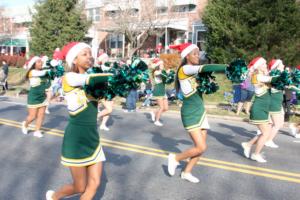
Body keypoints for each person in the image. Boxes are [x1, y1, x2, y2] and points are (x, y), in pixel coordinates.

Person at [46, 42, 111, 200]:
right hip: (76, 139)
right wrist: (119, 76)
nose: (90, 57)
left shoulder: (94, 82)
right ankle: (54, 197)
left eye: (90, 53)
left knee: (94, 184)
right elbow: (91, 79)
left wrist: (106, 104)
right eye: (84, 54)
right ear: (74, 60)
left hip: (92, 138)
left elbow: (108, 104)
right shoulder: (70, 77)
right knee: (80, 187)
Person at [168, 43, 227, 183]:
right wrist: (227, 68)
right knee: (201, 146)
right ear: (187, 56)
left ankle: (186, 172)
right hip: (190, 113)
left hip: (200, 111)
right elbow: (205, 68)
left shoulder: (193, 71)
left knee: (200, 148)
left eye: (198, 53)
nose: (198, 56)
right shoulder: (185, 69)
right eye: (195, 53)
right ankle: (175, 158)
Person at [241, 57, 279, 163]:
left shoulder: (263, 75)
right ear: (258, 66)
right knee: (266, 133)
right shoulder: (257, 76)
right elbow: (273, 79)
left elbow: (271, 81)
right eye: (263, 64)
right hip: (259, 108)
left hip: (264, 108)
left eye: (266, 63)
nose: (266, 65)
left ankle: (248, 145)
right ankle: (255, 154)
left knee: (265, 132)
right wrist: (282, 76)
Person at [22, 56, 50, 138]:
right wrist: (51, 70)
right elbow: (41, 73)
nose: (40, 63)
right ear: (34, 64)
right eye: (38, 62)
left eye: (41, 61)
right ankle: (25, 124)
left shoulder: (44, 73)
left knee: (41, 115)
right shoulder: (32, 72)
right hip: (33, 97)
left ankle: (37, 131)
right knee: (32, 116)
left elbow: (47, 84)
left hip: (42, 97)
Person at [263, 59, 285, 148]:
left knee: (279, 123)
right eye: (281, 64)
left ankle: (265, 137)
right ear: (277, 67)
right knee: (277, 124)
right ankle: (267, 140)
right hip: (274, 101)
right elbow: (273, 88)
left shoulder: (279, 75)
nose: (283, 65)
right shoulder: (275, 75)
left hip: (278, 101)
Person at [97, 53, 114, 131]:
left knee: (109, 109)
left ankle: (103, 124)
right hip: (103, 91)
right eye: (106, 58)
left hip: (110, 90)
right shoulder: (102, 67)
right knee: (109, 109)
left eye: (107, 57)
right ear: (102, 60)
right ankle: (96, 117)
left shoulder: (109, 67)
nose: (107, 59)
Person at [150, 58, 169, 126]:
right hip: (158, 91)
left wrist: (168, 74)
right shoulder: (156, 72)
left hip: (163, 90)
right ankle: (156, 121)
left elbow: (167, 79)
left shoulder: (163, 71)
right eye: (161, 64)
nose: (163, 65)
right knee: (161, 107)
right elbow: (163, 76)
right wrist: (167, 74)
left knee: (166, 108)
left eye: (163, 64)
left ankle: (154, 113)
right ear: (158, 65)